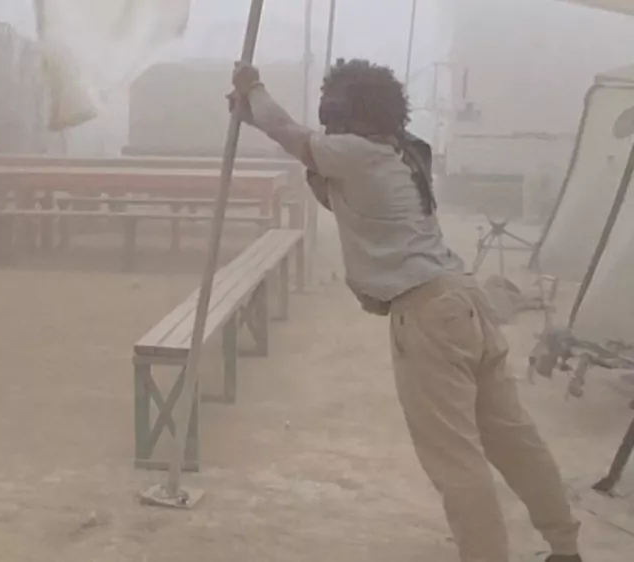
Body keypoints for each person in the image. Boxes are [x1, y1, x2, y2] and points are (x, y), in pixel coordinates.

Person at [228, 58, 582, 562]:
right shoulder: (404, 152)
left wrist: (253, 90)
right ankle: (565, 547)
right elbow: (357, 208)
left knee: (455, 461)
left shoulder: (354, 151)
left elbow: (289, 132)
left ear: (348, 110)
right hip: (463, 299)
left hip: (426, 312)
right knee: (512, 437)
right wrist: (258, 118)